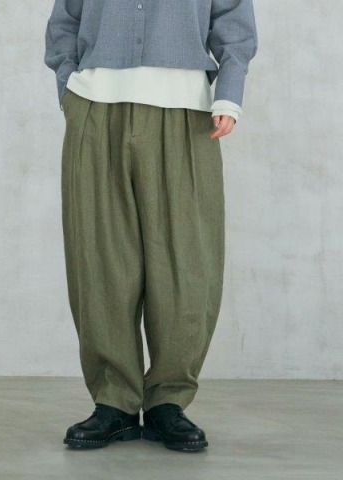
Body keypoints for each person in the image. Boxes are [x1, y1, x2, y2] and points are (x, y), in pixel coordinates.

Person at [44, 0, 258, 452]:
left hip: (186, 114)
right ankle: (114, 402)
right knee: (100, 259)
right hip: (95, 108)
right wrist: (69, 88)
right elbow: (65, 20)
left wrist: (229, 92)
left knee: (187, 264)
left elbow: (235, 23)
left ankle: (168, 402)